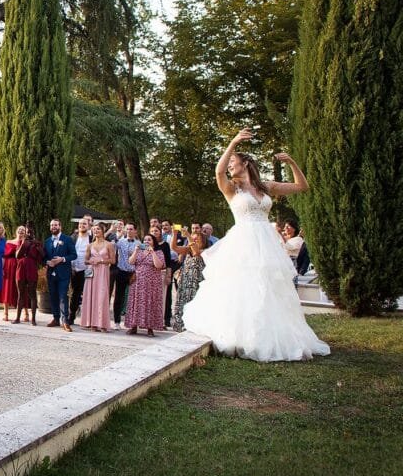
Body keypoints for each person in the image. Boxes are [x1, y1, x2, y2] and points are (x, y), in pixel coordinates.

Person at [182, 129, 330, 361]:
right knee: (243, 287)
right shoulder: (232, 188)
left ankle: (270, 336)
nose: (230, 165)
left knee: (269, 289)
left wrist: (291, 161)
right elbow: (218, 170)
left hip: (267, 242)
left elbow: (302, 186)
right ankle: (242, 335)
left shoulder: (265, 187)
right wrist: (232, 142)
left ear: (246, 163)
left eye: (234, 161)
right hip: (243, 241)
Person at [125, 233, 167, 336]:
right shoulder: (139, 252)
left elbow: (159, 266)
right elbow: (131, 262)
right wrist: (135, 250)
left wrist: (152, 253)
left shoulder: (159, 252)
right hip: (138, 282)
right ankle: (134, 326)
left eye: (149, 240)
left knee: (150, 303)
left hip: (152, 283)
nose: (146, 242)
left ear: (153, 242)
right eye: (145, 240)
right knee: (136, 303)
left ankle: (150, 328)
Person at [43, 219, 77, 330]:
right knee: (53, 296)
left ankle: (65, 321)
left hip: (63, 273)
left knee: (63, 297)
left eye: (56, 225)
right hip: (51, 274)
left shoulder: (67, 239)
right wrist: (47, 262)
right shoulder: (47, 241)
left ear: (60, 226)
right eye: (52, 225)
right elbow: (43, 257)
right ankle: (56, 318)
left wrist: (62, 259)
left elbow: (74, 255)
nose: (54, 227)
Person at [169, 229, 206, 332]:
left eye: (196, 240)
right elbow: (174, 247)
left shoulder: (205, 251)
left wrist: (189, 236)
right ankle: (180, 325)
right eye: (192, 239)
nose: (193, 242)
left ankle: (192, 326)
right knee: (181, 302)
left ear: (203, 241)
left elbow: (196, 253)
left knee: (193, 304)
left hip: (196, 283)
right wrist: (175, 234)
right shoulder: (188, 250)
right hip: (185, 281)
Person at [80, 223, 114, 332]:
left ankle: (102, 323)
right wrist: (90, 261)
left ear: (103, 231)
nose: (96, 231)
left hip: (103, 271)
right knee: (91, 295)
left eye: (98, 229)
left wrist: (102, 261)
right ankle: (91, 323)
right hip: (92, 271)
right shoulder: (90, 245)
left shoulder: (108, 245)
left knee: (101, 296)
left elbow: (113, 260)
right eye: (94, 229)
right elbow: (85, 260)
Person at [13, 226, 43, 325]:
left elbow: (41, 259)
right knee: (20, 294)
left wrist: (38, 248)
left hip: (31, 268)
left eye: (31, 232)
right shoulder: (21, 242)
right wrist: (24, 244)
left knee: (32, 294)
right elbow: (17, 255)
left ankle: (33, 319)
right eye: (27, 232)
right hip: (21, 268)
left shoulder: (37, 243)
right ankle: (17, 318)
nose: (29, 234)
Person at [112, 224, 138, 326]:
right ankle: (117, 321)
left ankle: (132, 322)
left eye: (131, 229)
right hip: (121, 271)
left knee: (134, 298)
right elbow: (111, 245)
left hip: (133, 273)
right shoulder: (120, 242)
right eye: (127, 229)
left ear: (135, 231)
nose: (129, 231)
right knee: (119, 297)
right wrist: (118, 235)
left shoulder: (139, 244)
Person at [68, 218, 91, 327]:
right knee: (74, 294)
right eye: (80, 224)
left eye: (84, 224)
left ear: (88, 225)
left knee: (86, 294)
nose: (82, 225)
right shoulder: (73, 237)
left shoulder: (91, 238)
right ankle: (71, 316)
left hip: (87, 270)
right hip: (73, 269)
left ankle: (88, 319)